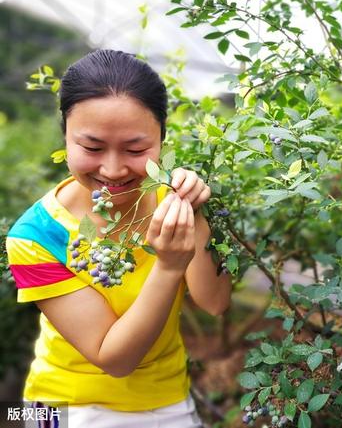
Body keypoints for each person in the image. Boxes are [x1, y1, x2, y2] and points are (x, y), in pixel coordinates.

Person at [5, 49, 232, 427]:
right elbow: (115, 359)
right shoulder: (35, 238)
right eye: (92, 148)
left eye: (136, 149)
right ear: (65, 135)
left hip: (168, 396)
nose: (113, 169)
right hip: (63, 406)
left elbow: (215, 303)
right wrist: (169, 264)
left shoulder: (167, 200)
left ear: (162, 138)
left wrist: (194, 213)